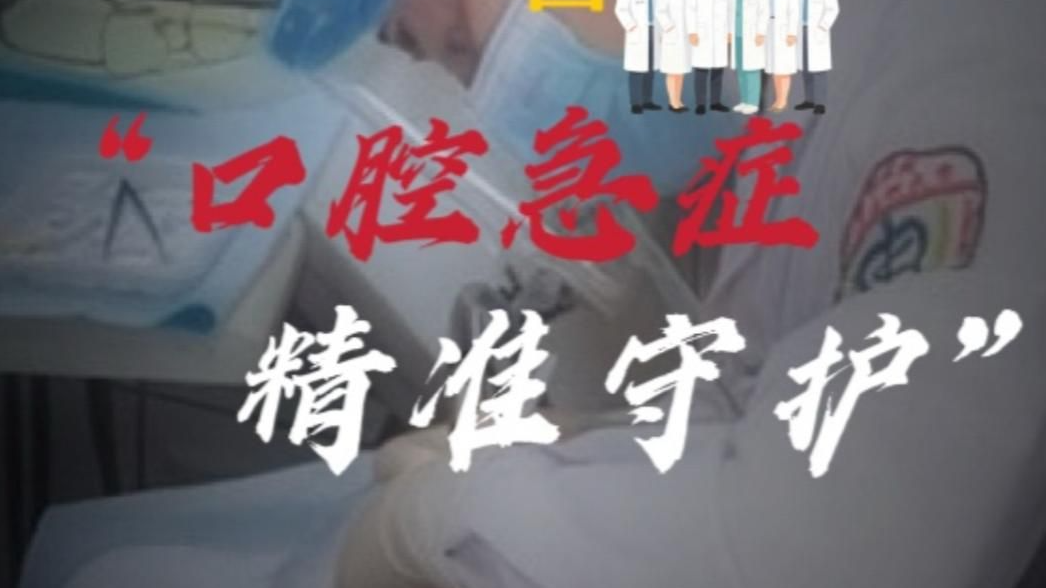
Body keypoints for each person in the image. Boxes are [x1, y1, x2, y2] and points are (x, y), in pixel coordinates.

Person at [615, 0, 664, 114]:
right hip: (638, 31)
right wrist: (630, 25)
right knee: (636, 70)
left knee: (650, 68)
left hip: (654, 30)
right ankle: (636, 103)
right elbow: (620, 9)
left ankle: (647, 101)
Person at [685, 0, 731, 115]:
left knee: (718, 70)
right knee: (701, 70)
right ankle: (700, 104)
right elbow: (690, 10)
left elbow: (730, 11)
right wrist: (692, 32)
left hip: (720, 33)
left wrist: (730, 31)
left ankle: (715, 102)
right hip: (702, 33)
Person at [794, 0, 839, 114]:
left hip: (817, 31)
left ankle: (820, 103)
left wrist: (823, 26)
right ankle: (809, 100)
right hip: (801, 30)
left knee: (819, 70)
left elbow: (833, 9)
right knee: (805, 68)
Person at [728, 0, 769, 115]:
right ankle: (744, 100)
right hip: (737, 35)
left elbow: (764, 12)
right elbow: (730, 12)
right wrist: (729, 31)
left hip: (752, 35)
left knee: (752, 70)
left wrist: (761, 32)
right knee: (741, 69)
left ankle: (753, 103)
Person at [765, 0, 800, 111]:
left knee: (784, 68)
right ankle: (778, 99)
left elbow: (794, 12)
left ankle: (783, 100)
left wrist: (792, 33)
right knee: (776, 69)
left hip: (784, 31)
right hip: (770, 29)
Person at [657, 0, 691, 112]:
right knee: (672, 71)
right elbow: (660, 12)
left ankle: (678, 100)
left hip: (684, 37)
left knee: (680, 71)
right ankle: (673, 102)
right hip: (671, 35)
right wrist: (669, 26)